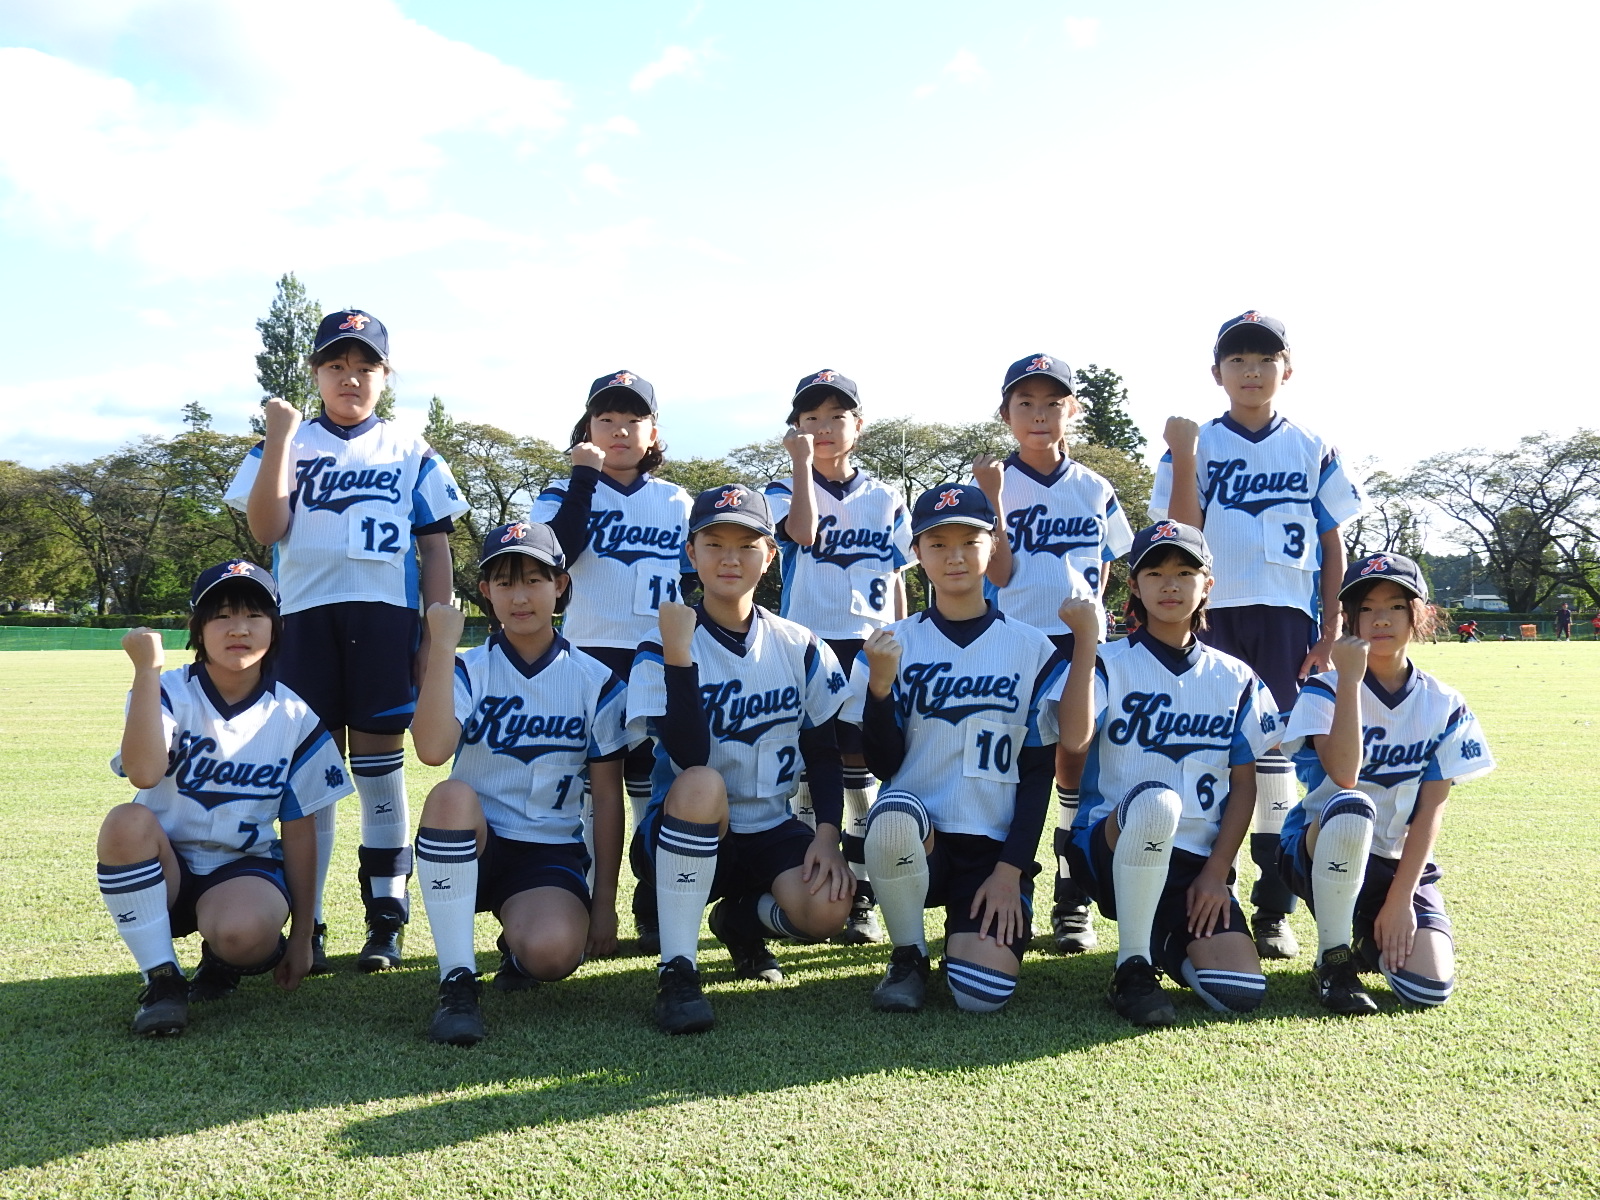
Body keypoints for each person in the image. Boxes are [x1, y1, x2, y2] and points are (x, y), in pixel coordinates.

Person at [225, 310, 469, 973]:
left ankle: (386, 917)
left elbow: (435, 548)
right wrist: (280, 438)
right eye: (336, 365)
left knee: (380, 771)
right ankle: (310, 921)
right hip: (303, 621)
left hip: (385, 619)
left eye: (365, 366)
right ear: (316, 374)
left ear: (386, 377)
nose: (350, 377)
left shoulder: (410, 448)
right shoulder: (287, 441)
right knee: (315, 775)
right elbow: (267, 528)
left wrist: (433, 635)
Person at [1152, 311, 1364, 961]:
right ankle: (1200, 896)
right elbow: (1181, 535)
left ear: (1287, 369)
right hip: (1209, 617)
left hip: (1285, 619)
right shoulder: (1196, 442)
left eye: (1265, 358)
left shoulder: (1312, 444)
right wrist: (1185, 455)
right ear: (1216, 373)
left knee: (1274, 763)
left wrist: (1330, 629)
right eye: (1237, 360)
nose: (1251, 370)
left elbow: (1332, 543)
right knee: (1208, 756)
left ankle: (1274, 907)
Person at [626, 484, 855, 1034]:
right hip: (686, 830)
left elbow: (823, 753)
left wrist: (827, 833)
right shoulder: (660, 644)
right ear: (691, 553)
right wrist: (680, 655)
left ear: (770, 556)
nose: (730, 558)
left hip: (771, 826)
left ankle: (741, 922)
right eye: (714, 544)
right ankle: (677, 970)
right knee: (702, 781)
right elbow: (689, 754)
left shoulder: (799, 643)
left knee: (828, 910)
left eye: (747, 545)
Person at [97, 561, 351, 1036]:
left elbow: (301, 832)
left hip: (241, 868)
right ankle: (162, 980)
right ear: (198, 628)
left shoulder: (294, 714)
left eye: (254, 615)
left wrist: (303, 936)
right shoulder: (166, 690)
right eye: (222, 616)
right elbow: (145, 773)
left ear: (275, 627)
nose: (239, 629)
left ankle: (221, 959)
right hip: (165, 867)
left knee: (243, 935)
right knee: (124, 821)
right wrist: (147, 671)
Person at [408, 522, 632, 1046]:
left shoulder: (597, 681)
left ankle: (518, 944)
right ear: (486, 591)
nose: (520, 596)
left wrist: (604, 901)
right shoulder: (469, 667)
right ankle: (456, 982)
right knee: (450, 795)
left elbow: (606, 798)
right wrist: (440, 649)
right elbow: (432, 750)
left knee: (553, 956)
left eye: (534, 579)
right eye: (505, 582)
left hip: (546, 852)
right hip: (475, 843)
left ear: (560, 585)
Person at [844, 483, 1065, 1014]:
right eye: (938, 544)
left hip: (993, 848)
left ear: (993, 546)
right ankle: (909, 954)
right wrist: (880, 689)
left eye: (969, 541)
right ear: (917, 554)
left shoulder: (1033, 646)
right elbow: (882, 764)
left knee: (981, 995)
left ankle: (967, 937)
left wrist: (1010, 871)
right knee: (892, 813)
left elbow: (1039, 772)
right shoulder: (890, 643)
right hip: (918, 838)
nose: (955, 556)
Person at [1056, 522, 1276, 1026]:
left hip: (1195, 863)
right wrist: (1086, 641)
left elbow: (1245, 785)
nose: (1169, 585)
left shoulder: (1235, 676)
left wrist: (1217, 873)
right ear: (1134, 586)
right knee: (1157, 802)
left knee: (1239, 991)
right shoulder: (1108, 661)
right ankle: (1131, 967)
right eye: (1154, 573)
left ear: (1208, 584)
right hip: (1109, 846)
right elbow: (1072, 738)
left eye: (1184, 573)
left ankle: (1160, 935)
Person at [1278, 553, 1495, 1014]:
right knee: (1352, 806)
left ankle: (1366, 936)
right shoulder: (1324, 688)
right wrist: (1350, 680)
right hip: (1320, 847)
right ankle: (1333, 959)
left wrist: (1400, 902)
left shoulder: (1443, 702)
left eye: (1396, 606)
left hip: (1396, 862)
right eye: (1367, 608)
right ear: (1349, 619)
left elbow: (1431, 809)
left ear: (1420, 614)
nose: (1381, 619)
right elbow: (1344, 774)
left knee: (1427, 989)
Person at [972, 353, 1134, 956]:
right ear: (1006, 414)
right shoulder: (994, 481)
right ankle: (1003, 885)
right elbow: (999, 572)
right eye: (1026, 403)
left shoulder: (1094, 486)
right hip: (1012, 642)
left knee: (1076, 763)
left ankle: (1072, 897)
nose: (1039, 415)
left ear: (1074, 410)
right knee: (1012, 768)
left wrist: (1090, 618)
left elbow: (1107, 561)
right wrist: (992, 498)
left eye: (1052, 403)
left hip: (1074, 643)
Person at [532, 370, 692, 955]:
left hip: (655, 658)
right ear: (587, 429)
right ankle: (581, 904)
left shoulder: (676, 500)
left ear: (654, 433)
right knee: (584, 792)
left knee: (652, 788)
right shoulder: (561, 490)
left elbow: (695, 579)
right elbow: (555, 553)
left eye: (633, 420)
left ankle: (652, 905)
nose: (620, 430)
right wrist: (583, 476)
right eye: (606, 420)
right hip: (587, 659)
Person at [764, 369, 912, 944]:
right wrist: (801, 465)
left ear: (859, 424)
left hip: (870, 645)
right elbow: (801, 533)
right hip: (809, 642)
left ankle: (862, 894)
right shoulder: (782, 488)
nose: (823, 427)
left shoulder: (885, 495)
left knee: (863, 766)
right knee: (813, 762)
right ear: (795, 428)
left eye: (836, 416)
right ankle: (813, 885)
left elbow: (895, 575)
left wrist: (902, 640)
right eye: (811, 418)